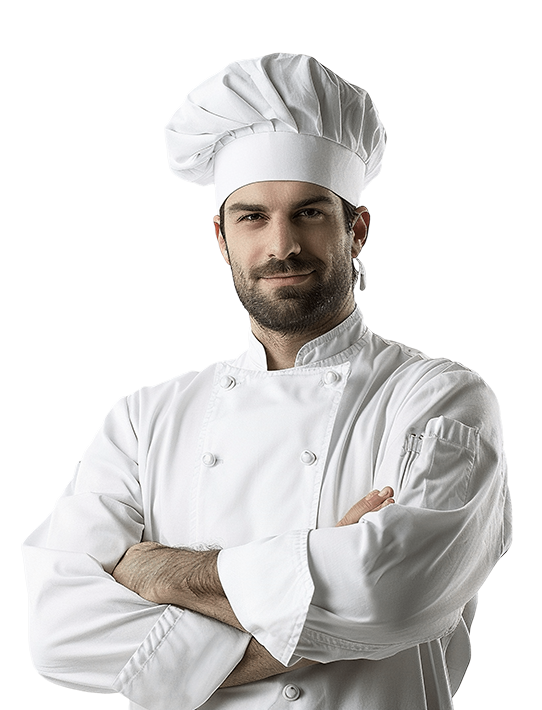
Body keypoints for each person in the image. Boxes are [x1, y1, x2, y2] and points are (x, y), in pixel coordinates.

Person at [22, 53, 512, 710]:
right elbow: (53, 626)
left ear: (357, 230)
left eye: (309, 213)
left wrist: (160, 571)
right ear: (221, 238)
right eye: (252, 217)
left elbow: (397, 595)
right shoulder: (145, 420)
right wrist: (326, 590)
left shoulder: (438, 400)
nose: (282, 246)